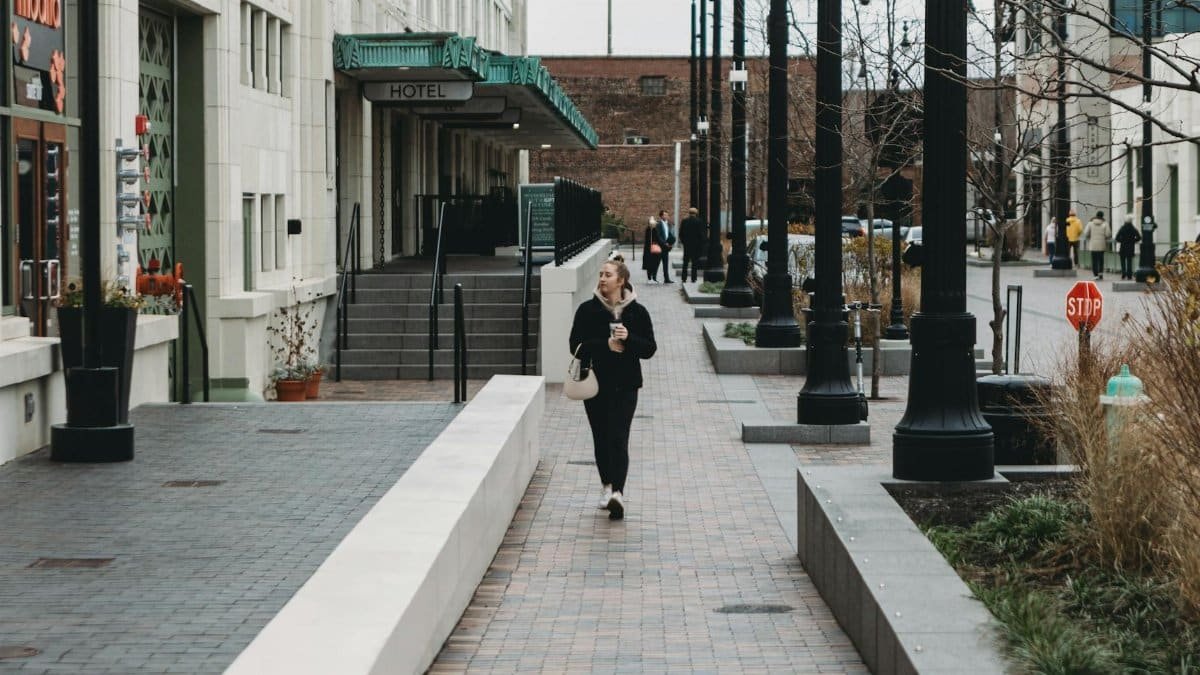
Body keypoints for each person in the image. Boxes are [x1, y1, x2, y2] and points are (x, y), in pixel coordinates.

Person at [568, 256, 657, 520]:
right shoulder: (587, 310)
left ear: (621, 280)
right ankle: (606, 485)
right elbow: (575, 346)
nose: (602, 279)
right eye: (601, 275)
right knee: (601, 437)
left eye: (607, 275)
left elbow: (650, 349)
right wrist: (603, 345)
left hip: (626, 384)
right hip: (595, 383)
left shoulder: (637, 312)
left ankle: (618, 492)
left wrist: (629, 338)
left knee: (619, 437)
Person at [679, 207, 705, 282]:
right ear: (696, 213)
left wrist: (684, 242)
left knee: (685, 262)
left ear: (689, 213)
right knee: (694, 263)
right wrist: (701, 243)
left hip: (687, 245)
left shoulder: (684, 221)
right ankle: (693, 278)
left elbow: (681, 234)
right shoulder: (699, 221)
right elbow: (701, 234)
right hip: (696, 245)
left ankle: (684, 278)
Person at [1083, 210, 1111, 280]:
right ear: (1102, 216)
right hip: (1101, 244)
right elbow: (1108, 234)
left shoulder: (1090, 223)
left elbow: (1086, 233)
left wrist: (1090, 236)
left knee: (1094, 260)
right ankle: (1100, 274)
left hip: (1093, 244)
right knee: (1101, 260)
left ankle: (1095, 275)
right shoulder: (1105, 223)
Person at [1115, 214, 1141, 280]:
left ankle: (1123, 274)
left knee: (1122, 261)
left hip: (1123, 246)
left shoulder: (1122, 228)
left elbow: (1117, 238)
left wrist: (1122, 241)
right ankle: (1129, 275)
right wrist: (1133, 241)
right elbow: (1139, 237)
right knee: (1129, 261)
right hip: (1130, 247)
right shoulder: (1133, 229)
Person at [653, 210, 675, 284]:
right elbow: (658, 236)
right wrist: (664, 243)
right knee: (657, 263)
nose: (666, 216)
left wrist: (671, 242)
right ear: (661, 216)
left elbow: (668, 234)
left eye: (667, 215)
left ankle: (667, 279)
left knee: (665, 263)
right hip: (660, 247)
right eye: (665, 215)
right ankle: (654, 278)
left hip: (666, 247)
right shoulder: (659, 224)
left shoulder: (667, 224)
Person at [641, 216, 660, 282]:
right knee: (651, 264)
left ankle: (652, 277)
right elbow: (653, 239)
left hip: (651, 249)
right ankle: (650, 278)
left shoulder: (652, 229)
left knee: (653, 264)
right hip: (650, 249)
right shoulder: (650, 230)